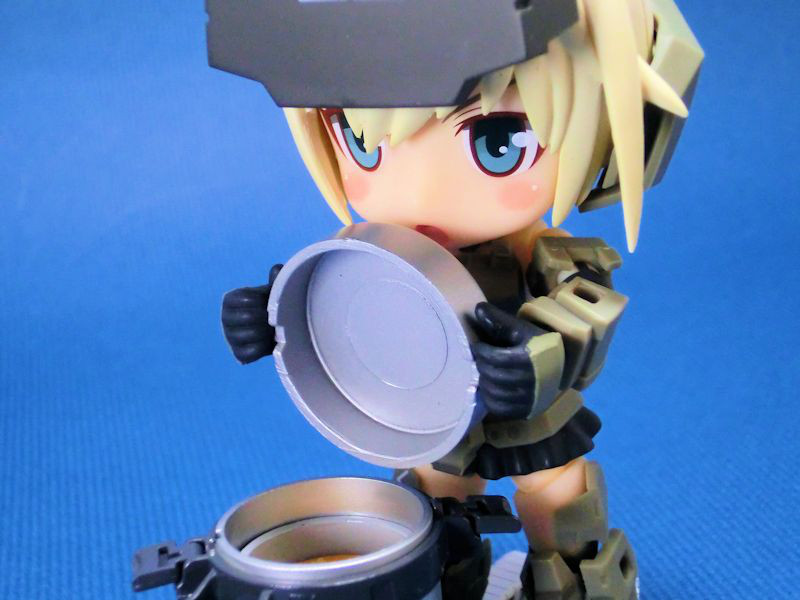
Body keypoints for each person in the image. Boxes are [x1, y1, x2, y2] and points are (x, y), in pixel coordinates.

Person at [216, 1, 703, 597]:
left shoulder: (546, 255)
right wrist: (271, 315)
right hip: (435, 421)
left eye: (497, 142)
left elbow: (587, 309)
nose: (415, 194)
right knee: (434, 516)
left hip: (530, 418)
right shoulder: (377, 250)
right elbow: (335, 304)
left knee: (561, 507)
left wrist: (534, 360)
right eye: (362, 144)